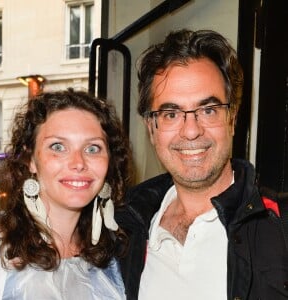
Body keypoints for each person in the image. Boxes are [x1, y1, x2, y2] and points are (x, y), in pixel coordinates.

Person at [116, 29, 288, 300]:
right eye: (171, 114)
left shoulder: (279, 226)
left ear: (232, 118)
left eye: (208, 110)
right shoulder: (124, 228)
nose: (191, 131)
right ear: (151, 128)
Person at [0, 89, 133, 299]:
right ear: (31, 159)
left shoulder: (118, 255)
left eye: (92, 148)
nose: (78, 163)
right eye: (58, 146)